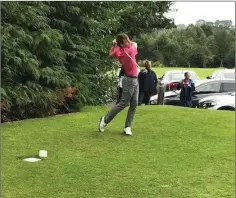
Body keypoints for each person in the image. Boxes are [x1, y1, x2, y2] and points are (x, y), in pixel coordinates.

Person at [99, 33, 139, 136]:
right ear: (122, 43)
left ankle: (127, 126)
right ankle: (105, 120)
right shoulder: (130, 50)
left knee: (134, 104)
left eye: (128, 39)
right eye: (126, 41)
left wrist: (114, 45)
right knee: (123, 104)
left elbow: (111, 53)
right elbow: (135, 44)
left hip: (134, 79)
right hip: (129, 80)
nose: (129, 42)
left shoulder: (119, 51)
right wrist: (117, 44)